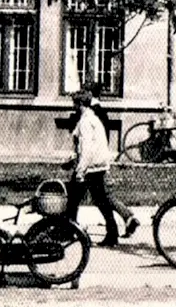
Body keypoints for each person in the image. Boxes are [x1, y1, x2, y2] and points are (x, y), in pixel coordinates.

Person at [62, 90, 120, 247]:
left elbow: (87, 148)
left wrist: (80, 170)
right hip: (98, 165)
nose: (73, 106)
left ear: (80, 104)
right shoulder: (93, 118)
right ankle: (112, 234)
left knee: (72, 199)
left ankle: (68, 231)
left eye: (75, 103)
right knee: (101, 201)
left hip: (90, 167)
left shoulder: (86, 122)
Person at [84, 82, 141, 238]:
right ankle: (122, 222)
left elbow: (93, 139)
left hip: (93, 161)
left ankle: (120, 224)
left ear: (90, 94)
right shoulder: (101, 111)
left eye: (85, 91)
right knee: (101, 196)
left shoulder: (92, 112)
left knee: (100, 197)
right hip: (98, 159)